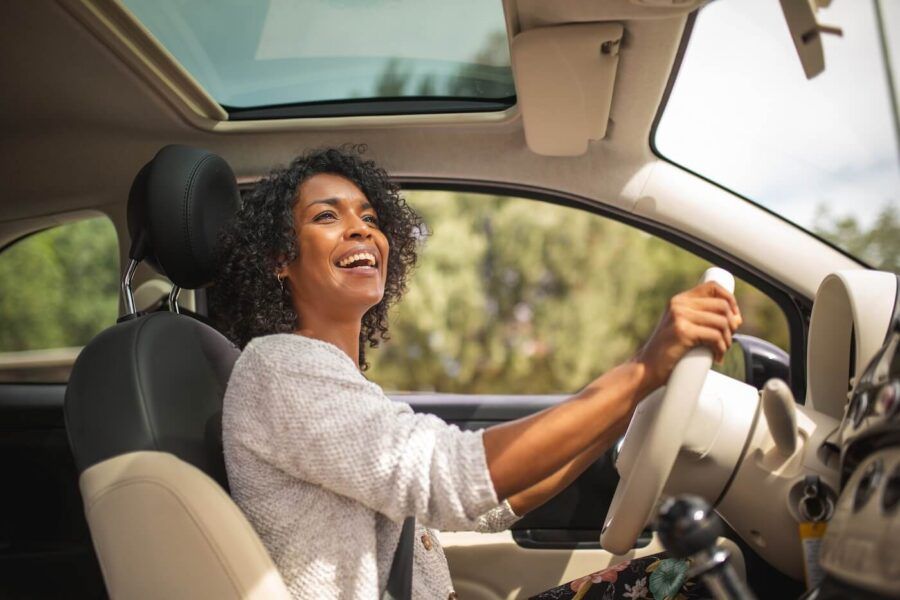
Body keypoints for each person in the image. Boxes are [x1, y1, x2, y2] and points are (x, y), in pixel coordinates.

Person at [213, 147, 741, 600]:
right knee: (698, 579)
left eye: (371, 218)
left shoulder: (339, 383)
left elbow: (483, 507)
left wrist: (633, 396)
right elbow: (453, 478)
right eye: (326, 217)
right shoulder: (280, 368)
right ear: (281, 258)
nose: (359, 229)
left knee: (684, 573)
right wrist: (642, 369)